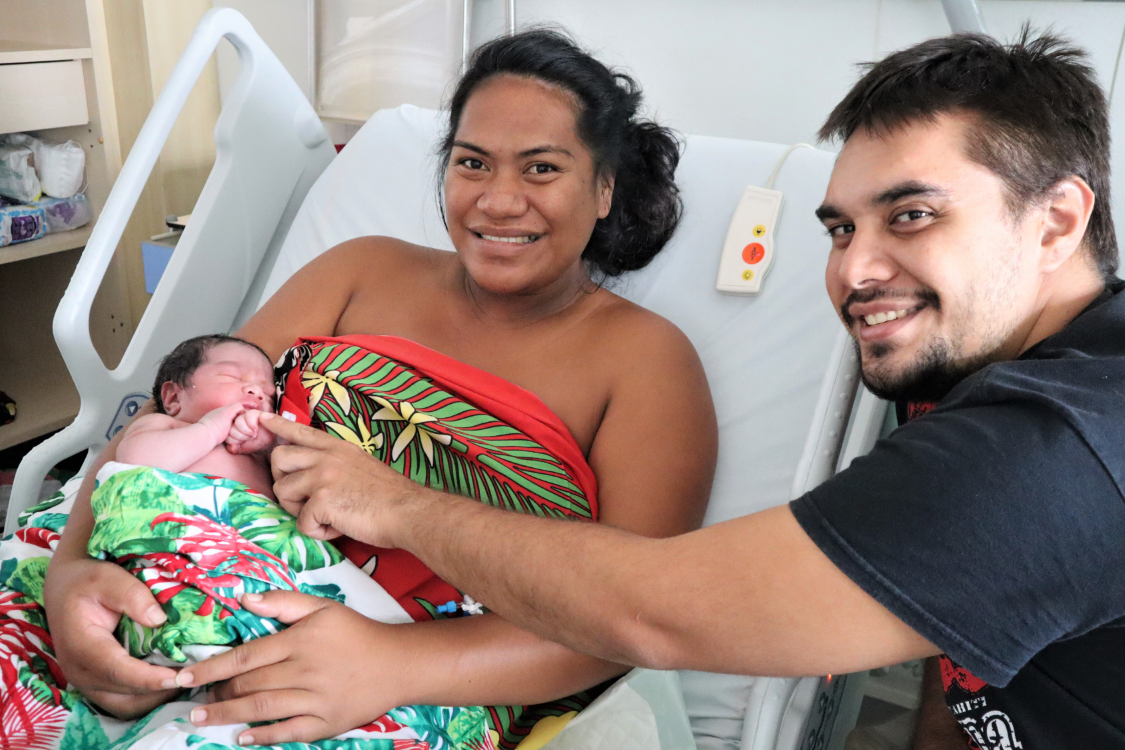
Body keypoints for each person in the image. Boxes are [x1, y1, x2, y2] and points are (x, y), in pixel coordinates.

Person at [211, 29, 1125, 749]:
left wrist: (393, 510)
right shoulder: (967, 368)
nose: (855, 270)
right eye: (841, 229)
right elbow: (971, 642)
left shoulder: (1049, 453)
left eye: (912, 215)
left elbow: (652, 611)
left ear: (1055, 221)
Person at [41, 28, 717, 749]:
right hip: (154, 571)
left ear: (604, 186)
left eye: (542, 169)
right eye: (472, 162)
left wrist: (388, 663)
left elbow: (633, 617)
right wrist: (70, 575)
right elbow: (172, 414)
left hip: (412, 681)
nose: (498, 200)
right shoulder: (359, 270)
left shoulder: (648, 362)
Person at [116, 334, 277, 496]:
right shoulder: (162, 426)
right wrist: (209, 430)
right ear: (174, 397)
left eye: (269, 394)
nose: (257, 392)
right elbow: (132, 462)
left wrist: (270, 446)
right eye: (231, 376)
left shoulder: (261, 455)